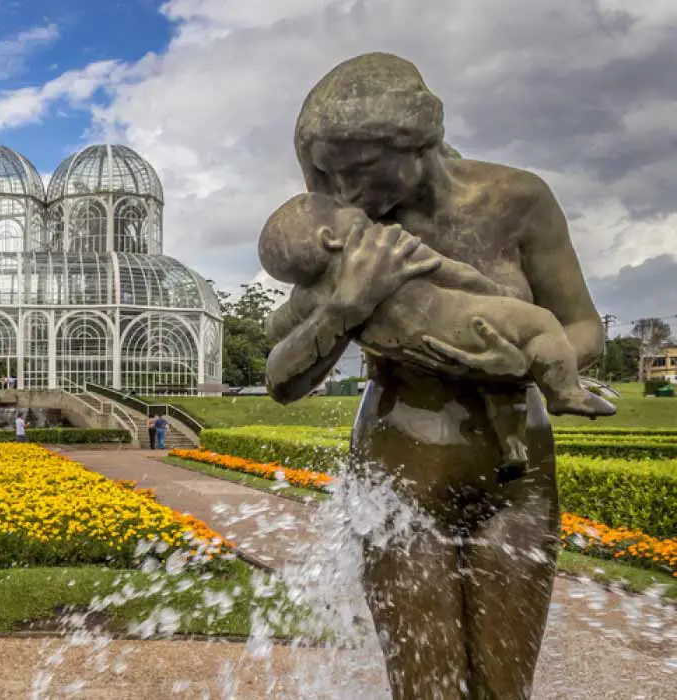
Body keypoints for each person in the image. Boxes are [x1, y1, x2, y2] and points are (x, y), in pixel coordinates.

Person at [265, 53, 606, 698]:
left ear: (417, 142)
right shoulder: (349, 236)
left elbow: (584, 327)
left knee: (505, 687)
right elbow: (281, 376)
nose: (341, 193)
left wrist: (529, 361)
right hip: (399, 476)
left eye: (357, 171)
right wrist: (345, 306)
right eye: (327, 176)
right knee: (425, 687)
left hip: (515, 473)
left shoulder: (517, 200)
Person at [260, 192, 615, 470]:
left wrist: (518, 371)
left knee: (499, 385)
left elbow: (276, 324)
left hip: (467, 371)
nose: (350, 195)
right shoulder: (391, 246)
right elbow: (455, 272)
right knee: (541, 323)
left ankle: (514, 447)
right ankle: (558, 398)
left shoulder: (312, 294)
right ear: (330, 237)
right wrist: (347, 307)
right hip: (446, 356)